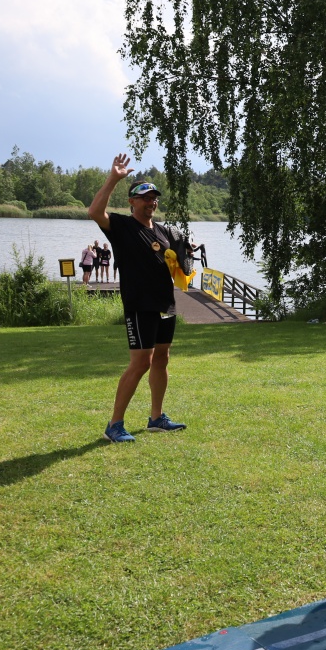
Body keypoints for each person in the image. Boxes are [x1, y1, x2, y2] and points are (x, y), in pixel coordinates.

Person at [88, 153, 187, 442]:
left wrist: (182, 261)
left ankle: (156, 418)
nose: (151, 202)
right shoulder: (122, 226)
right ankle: (114, 424)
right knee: (141, 362)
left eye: (154, 198)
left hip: (165, 304)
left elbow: (174, 262)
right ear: (132, 201)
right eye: (145, 198)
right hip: (139, 305)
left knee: (162, 359)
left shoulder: (163, 231)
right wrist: (113, 179)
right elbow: (94, 212)